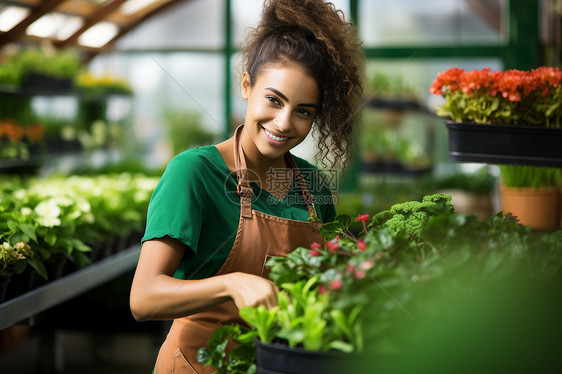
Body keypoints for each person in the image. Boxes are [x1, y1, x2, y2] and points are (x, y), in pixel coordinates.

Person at [129, 0, 364, 372]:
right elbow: (143, 299)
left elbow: (333, 286)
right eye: (274, 100)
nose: (284, 123)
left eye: (304, 111)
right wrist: (231, 284)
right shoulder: (194, 172)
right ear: (246, 85)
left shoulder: (312, 183)